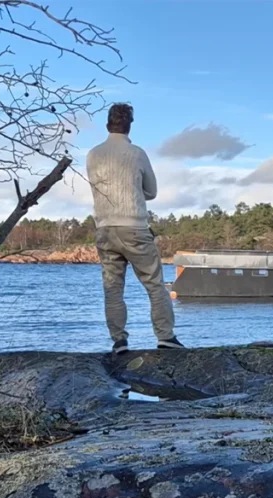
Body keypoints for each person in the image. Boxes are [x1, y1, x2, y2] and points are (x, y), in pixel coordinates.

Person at [87, 103, 184, 353]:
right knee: (154, 283)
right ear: (129, 125)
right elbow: (151, 191)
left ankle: (119, 341)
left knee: (113, 288)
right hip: (134, 227)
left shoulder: (92, 155)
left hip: (105, 229)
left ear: (108, 124)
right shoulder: (137, 153)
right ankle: (165, 337)